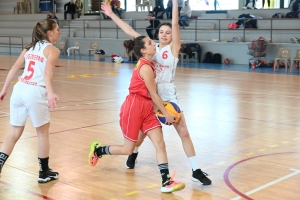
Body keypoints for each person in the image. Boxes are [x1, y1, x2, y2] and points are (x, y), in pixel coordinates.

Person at [101, 0, 212, 187]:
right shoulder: (151, 48)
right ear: (157, 34)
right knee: (142, 135)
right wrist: (111, 14)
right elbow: (129, 32)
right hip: (149, 96)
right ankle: (133, 154)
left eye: (168, 32)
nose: (165, 34)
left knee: (183, 131)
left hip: (167, 95)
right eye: (162, 32)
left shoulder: (173, 49)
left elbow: (175, 23)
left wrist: (175, 3)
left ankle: (196, 170)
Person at [89, 3, 186, 193]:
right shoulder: (146, 67)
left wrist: (110, 13)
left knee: (159, 142)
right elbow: (153, 94)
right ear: (143, 50)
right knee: (128, 148)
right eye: (150, 43)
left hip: (147, 107)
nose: (154, 43)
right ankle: (99, 150)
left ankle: (166, 181)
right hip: (134, 107)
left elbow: (131, 31)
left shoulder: (151, 57)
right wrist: (165, 113)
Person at [0, 19, 61, 183]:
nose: (59, 32)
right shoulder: (53, 50)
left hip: (19, 89)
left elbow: (14, 68)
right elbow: (47, 74)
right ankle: (44, 173)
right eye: (57, 29)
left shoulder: (29, 47)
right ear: (49, 32)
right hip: (35, 91)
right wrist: (50, 93)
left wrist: (4, 89)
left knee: (13, 133)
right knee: (43, 134)